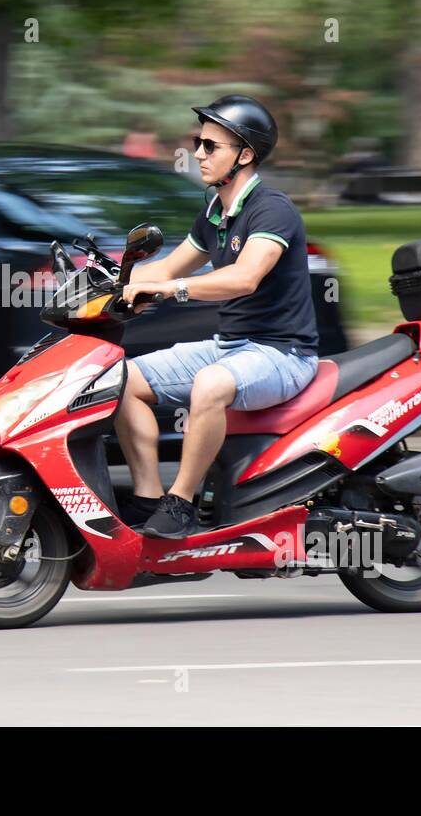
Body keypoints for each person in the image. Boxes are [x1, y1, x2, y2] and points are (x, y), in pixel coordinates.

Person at [116, 96, 320, 538]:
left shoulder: (272, 209)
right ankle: (149, 498)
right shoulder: (214, 213)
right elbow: (167, 267)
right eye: (198, 143)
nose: (199, 154)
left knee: (209, 385)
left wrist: (173, 290)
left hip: (282, 354)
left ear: (244, 155)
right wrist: (110, 285)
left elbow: (244, 278)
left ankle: (181, 504)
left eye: (211, 146)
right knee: (122, 380)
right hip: (231, 346)